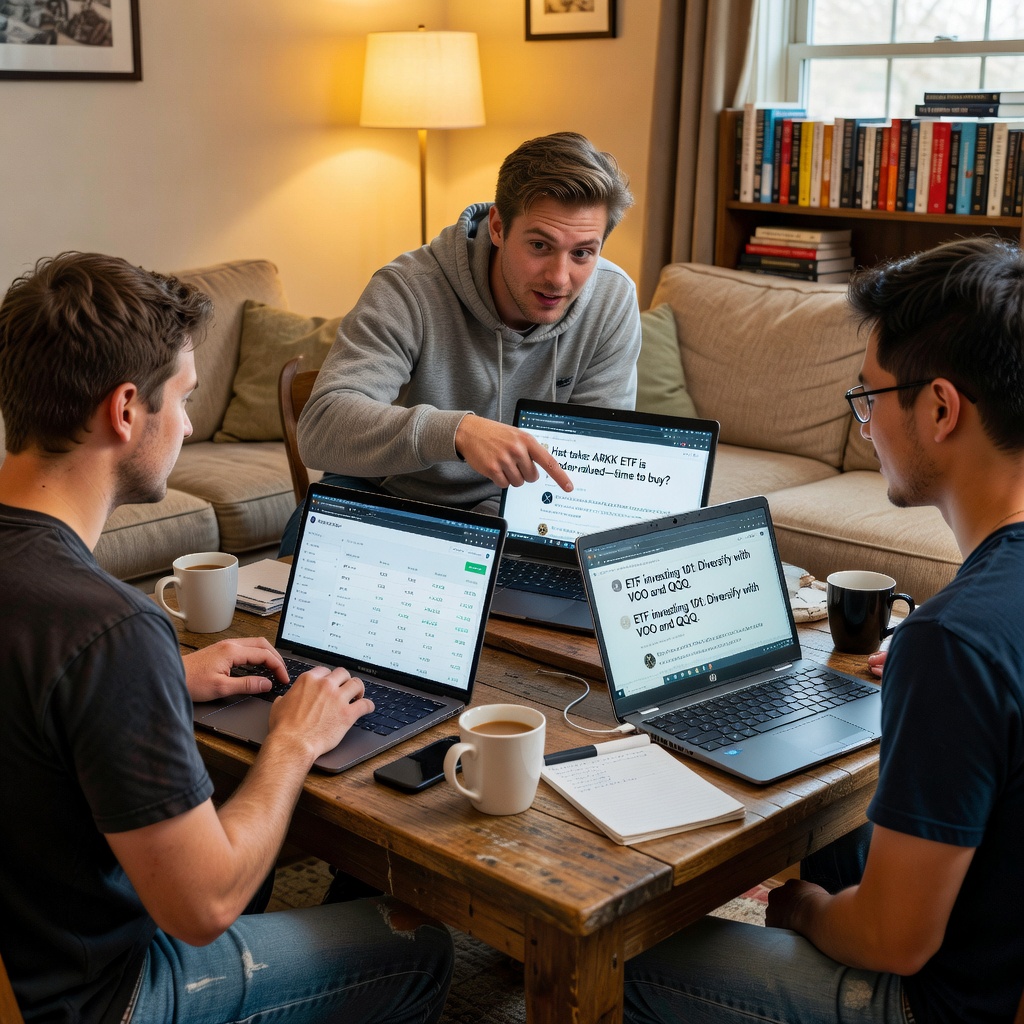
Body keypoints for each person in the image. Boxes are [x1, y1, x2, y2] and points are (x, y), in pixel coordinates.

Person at [0, 252, 454, 1024]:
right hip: (96, 998)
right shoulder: (111, 625)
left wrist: (158, 681)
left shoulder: (86, 632)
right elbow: (202, 906)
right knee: (424, 948)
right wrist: (292, 743)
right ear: (124, 411)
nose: (183, 425)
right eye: (182, 400)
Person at [621, 236, 1024, 1024]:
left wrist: (801, 908)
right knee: (842, 841)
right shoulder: (961, 633)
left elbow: (892, 941)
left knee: (622, 958)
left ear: (940, 408)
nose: (865, 424)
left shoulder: (955, 642)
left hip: (939, 1004)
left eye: (869, 397)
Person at [280, 130, 641, 554]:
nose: (559, 278)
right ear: (499, 227)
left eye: (582, 253)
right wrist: (457, 431)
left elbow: (591, 462)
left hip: (510, 517)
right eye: (540, 245)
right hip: (382, 496)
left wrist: (484, 529)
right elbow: (322, 429)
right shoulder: (407, 289)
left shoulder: (612, 299)